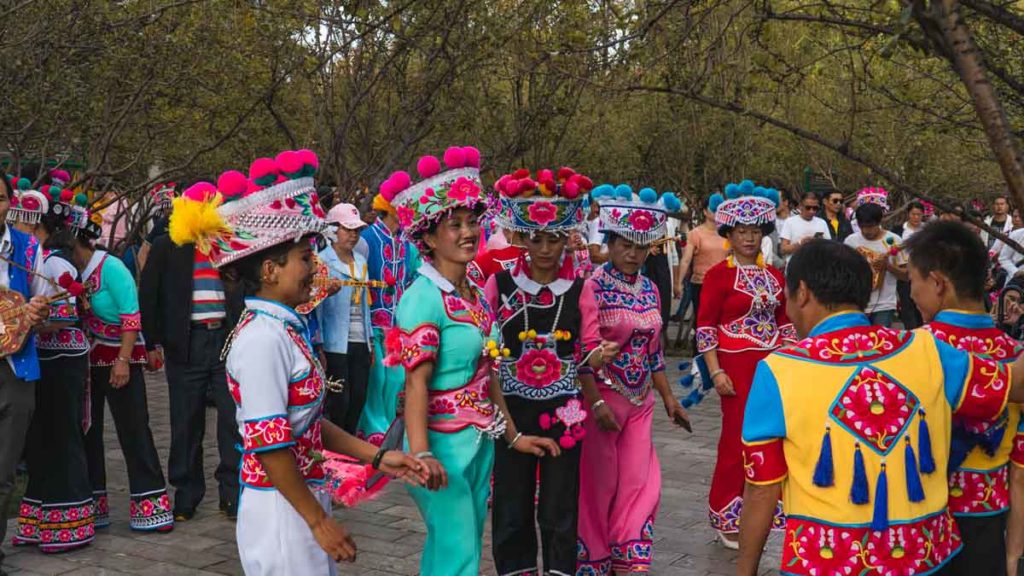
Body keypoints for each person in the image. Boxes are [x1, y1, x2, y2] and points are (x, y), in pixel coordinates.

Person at [169, 149, 428, 575]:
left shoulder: (285, 329)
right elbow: (269, 445)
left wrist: (376, 457)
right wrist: (318, 520)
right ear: (270, 270)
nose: (315, 269)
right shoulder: (261, 340)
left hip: (298, 497)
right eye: (306, 260)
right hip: (281, 511)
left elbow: (303, 422)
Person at [737, 239, 1024, 576]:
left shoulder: (778, 370)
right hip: (925, 558)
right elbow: (1015, 384)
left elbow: (761, 490)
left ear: (801, 293)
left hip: (826, 563)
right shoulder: (927, 350)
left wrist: (745, 570)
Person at [383, 146, 559, 575]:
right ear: (427, 237)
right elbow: (417, 384)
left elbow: (488, 372)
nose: (468, 233)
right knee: (459, 551)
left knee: (451, 551)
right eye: (454, 225)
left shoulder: (474, 295)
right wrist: (422, 455)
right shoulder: (422, 298)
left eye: (473, 222)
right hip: (439, 447)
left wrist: (513, 437)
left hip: (478, 443)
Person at [484, 167, 615, 576]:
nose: (545, 248)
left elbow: (588, 348)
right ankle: (516, 569)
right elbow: (486, 351)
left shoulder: (582, 290)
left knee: (561, 502)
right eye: (536, 238)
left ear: (567, 238)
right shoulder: (499, 285)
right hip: (511, 406)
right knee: (510, 501)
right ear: (521, 237)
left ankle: (560, 569)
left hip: (568, 409)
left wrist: (597, 358)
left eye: (554, 238)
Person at [576, 183, 690, 574]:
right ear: (608, 242)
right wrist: (595, 402)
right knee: (599, 486)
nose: (632, 253)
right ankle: (593, 557)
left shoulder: (651, 289)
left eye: (640, 246)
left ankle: (630, 554)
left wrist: (670, 400)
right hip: (603, 401)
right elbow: (582, 355)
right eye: (624, 244)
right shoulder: (592, 288)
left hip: (641, 402)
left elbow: (654, 352)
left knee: (642, 483)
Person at [904, 221, 1024, 576]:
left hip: (922, 521)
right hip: (989, 522)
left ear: (938, 283)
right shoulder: (1012, 353)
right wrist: (1013, 551)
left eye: (913, 280)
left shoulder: (913, 351)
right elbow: (1020, 471)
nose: (911, 293)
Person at [695, 181, 795, 548]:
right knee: (734, 440)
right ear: (729, 235)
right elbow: (705, 325)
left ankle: (765, 508)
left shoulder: (775, 276)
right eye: (742, 232)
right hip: (734, 367)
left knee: (770, 437)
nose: (749, 238)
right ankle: (725, 513)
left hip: (771, 368)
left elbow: (785, 321)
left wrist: (789, 359)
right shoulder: (718, 276)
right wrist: (716, 370)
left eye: (755, 231)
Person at [140, 180, 244, 522]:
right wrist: (151, 342)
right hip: (185, 343)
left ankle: (232, 493)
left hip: (225, 341)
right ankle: (186, 493)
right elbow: (150, 296)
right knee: (185, 421)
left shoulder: (227, 245)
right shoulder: (167, 246)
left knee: (231, 421)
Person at [73, 203, 174, 532]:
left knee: (133, 430)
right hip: (89, 359)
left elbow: (131, 317)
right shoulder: (69, 272)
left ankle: (151, 503)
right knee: (89, 432)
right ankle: (94, 504)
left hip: (120, 357)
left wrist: (123, 361)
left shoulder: (111, 268)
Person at [8, 185, 94, 553]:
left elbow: (63, 317)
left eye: (24, 222)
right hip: (37, 359)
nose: (20, 228)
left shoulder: (54, 262)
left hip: (61, 359)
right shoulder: (24, 258)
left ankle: (70, 524)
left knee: (61, 436)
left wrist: (20, 320)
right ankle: (39, 520)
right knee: (39, 440)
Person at [355, 182, 420, 445]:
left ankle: (388, 425)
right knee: (377, 376)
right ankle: (371, 425)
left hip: (397, 322)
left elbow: (416, 274)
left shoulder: (407, 245)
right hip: (372, 319)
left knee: (396, 377)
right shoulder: (368, 239)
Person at [317, 202, 374, 433]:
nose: (353, 235)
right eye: (347, 229)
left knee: (359, 397)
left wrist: (370, 341)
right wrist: (319, 345)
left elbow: (366, 307)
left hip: (361, 341)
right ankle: (336, 456)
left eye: (356, 230)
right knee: (339, 401)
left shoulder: (361, 262)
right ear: (332, 230)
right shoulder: (321, 262)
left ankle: (351, 450)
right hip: (335, 343)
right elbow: (317, 308)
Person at [844, 195, 906, 327]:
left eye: (871, 226)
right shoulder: (851, 241)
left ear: (879, 222)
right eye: (862, 226)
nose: (866, 231)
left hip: (884, 306)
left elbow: (906, 275)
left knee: (881, 344)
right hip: (857, 304)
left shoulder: (894, 241)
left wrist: (887, 266)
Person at [673, 195, 729, 318]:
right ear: (704, 211)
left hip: (724, 284)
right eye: (712, 209)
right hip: (701, 284)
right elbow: (686, 260)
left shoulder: (728, 234)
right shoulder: (695, 234)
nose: (716, 212)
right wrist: (678, 283)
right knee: (703, 320)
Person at [898, 201, 927, 329]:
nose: (916, 217)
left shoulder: (927, 230)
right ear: (908, 214)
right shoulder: (899, 230)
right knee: (906, 304)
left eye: (919, 215)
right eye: (913, 214)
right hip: (904, 273)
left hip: (923, 273)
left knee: (920, 305)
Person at [779, 191, 829, 265]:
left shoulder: (822, 223)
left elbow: (829, 246)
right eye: (808, 208)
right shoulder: (790, 222)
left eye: (815, 208)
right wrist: (800, 244)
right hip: (796, 266)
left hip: (817, 267)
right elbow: (783, 249)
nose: (811, 211)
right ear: (800, 206)